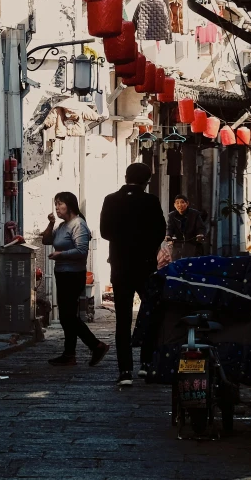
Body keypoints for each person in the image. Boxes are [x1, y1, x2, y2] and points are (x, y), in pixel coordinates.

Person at [100, 163, 165, 386]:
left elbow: (104, 231)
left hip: (120, 266)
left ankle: (125, 371)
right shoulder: (150, 201)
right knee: (150, 314)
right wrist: (147, 248)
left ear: (126, 176)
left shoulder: (111, 199)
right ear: (147, 180)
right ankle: (146, 365)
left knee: (123, 319)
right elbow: (159, 231)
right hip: (145, 266)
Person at [41, 192, 109, 367]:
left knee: (68, 316)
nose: (57, 208)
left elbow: (81, 251)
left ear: (70, 205)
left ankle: (96, 345)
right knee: (66, 316)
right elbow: (47, 240)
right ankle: (69, 354)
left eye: (60, 204)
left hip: (73, 275)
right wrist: (51, 223)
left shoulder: (78, 225)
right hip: (62, 273)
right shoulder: (63, 225)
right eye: (55, 204)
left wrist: (60, 254)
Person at [165, 194, 205, 260]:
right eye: (177, 203)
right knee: (176, 263)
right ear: (174, 205)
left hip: (192, 243)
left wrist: (200, 235)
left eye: (182, 202)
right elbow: (169, 228)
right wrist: (168, 235)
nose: (180, 205)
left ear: (187, 203)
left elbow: (200, 227)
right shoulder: (171, 216)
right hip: (177, 244)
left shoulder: (195, 214)